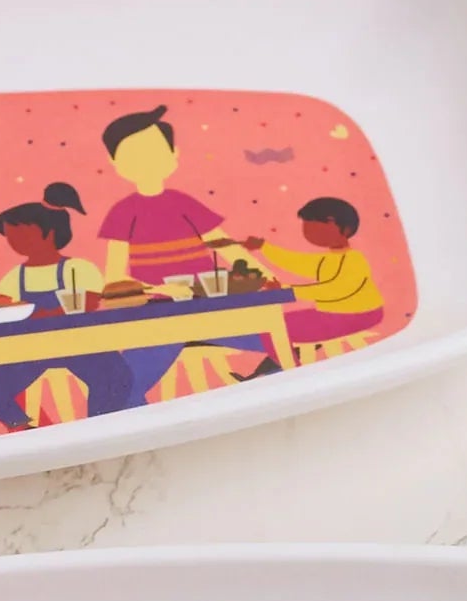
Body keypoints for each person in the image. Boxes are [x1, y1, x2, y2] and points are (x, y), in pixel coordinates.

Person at [93, 105, 242, 402]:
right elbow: (114, 281)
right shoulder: (123, 212)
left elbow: (226, 246)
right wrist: (159, 290)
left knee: (280, 341)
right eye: (134, 156)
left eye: (155, 151)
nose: (146, 161)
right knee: (124, 386)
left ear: (174, 154)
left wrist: (261, 273)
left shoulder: (183, 203)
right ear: (115, 162)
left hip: (211, 310)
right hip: (160, 318)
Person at [0, 183, 136, 428]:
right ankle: (26, 430)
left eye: (20, 235)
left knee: (116, 378)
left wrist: (41, 313)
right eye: (9, 237)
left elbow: (90, 302)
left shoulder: (77, 268)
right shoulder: (15, 277)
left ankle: (99, 429)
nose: (13, 242)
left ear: (49, 233)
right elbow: (5, 308)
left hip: (79, 343)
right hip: (31, 349)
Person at [243, 197, 383, 364]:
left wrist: (287, 291)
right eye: (307, 230)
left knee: (272, 328)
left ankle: (292, 368)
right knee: (270, 324)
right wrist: (264, 247)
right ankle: (289, 365)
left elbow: (336, 289)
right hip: (333, 314)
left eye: (316, 230)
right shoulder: (327, 259)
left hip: (360, 314)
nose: (310, 236)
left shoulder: (354, 259)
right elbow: (294, 261)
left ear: (340, 227)